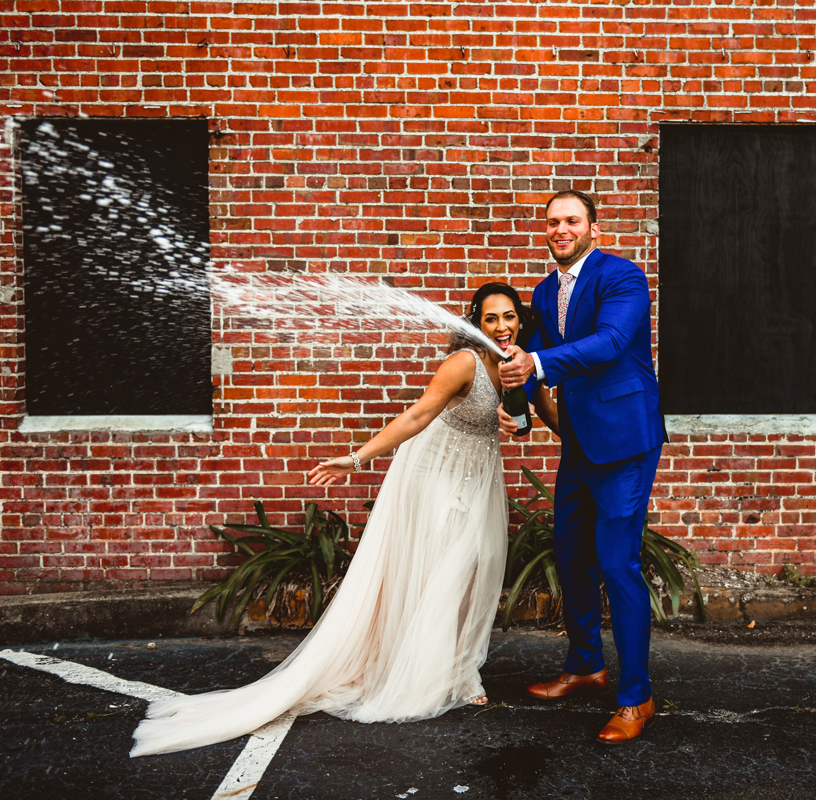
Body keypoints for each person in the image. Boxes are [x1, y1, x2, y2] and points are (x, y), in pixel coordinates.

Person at [130, 283, 555, 757]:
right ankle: (441, 675)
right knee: (444, 571)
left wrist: (521, 420)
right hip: (435, 474)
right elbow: (417, 416)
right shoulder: (465, 363)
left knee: (474, 571)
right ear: (476, 323)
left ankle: (455, 665)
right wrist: (355, 460)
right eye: (491, 318)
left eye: (509, 317)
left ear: (521, 320)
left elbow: (530, 417)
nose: (501, 326)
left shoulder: (521, 363)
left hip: (479, 476)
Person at [498, 189, 666, 745]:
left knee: (618, 566)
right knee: (572, 558)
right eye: (552, 222)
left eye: (571, 220)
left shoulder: (624, 278)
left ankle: (635, 697)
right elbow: (529, 367)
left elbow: (612, 343)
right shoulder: (545, 291)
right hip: (578, 445)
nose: (560, 229)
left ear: (594, 227)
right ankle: (585, 666)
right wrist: (518, 409)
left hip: (625, 444)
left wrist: (538, 361)